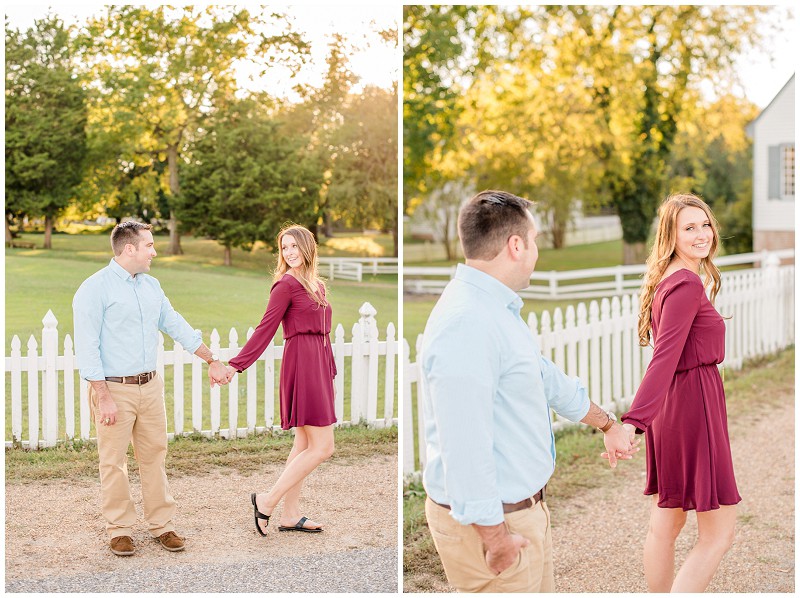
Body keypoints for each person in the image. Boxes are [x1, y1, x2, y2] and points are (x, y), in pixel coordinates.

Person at [419, 190, 639, 593]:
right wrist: (496, 539)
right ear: (515, 245)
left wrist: (608, 424)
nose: (537, 250)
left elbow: (546, 379)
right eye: (534, 240)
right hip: (493, 529)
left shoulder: (495, 309)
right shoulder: (466, 322)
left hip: (522, 514)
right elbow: (464, 445)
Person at [73, 221, 229, 557]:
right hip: (113, 390)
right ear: (129, 249)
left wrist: (211, 359)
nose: (154, 252)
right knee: (113, 462)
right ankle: (120, 530)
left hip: (150, 387)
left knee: (155, 455)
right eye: (150, 246)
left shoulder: (151, 286)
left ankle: (162, 525)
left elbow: (176, 325)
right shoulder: (93, 289)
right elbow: (87, 348)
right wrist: (104, 397)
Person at [619, 193, 741, 592]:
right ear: (671, 235)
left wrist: (641, 422)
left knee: (667, 520)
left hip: (675, 407)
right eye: (689, 227)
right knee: (718, 533)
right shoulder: (685, 283)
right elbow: (665, 358)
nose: (702, 234)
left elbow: (664, 357)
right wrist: (634, 423)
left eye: (705, 224)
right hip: (692, 406)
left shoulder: (671, 277)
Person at [223, 224, 337, 535]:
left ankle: (290, 514)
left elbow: (324, 336)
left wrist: (330, 372)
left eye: (293, 246)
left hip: (318, 366)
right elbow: (265, 329)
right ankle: (267, 500)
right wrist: (236, 365)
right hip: (301, 367)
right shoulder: (285, 286)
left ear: (307, 248)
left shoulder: (317, 286)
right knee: (323, 446)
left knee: (304, 443)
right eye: (284, 248)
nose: (288, 253)